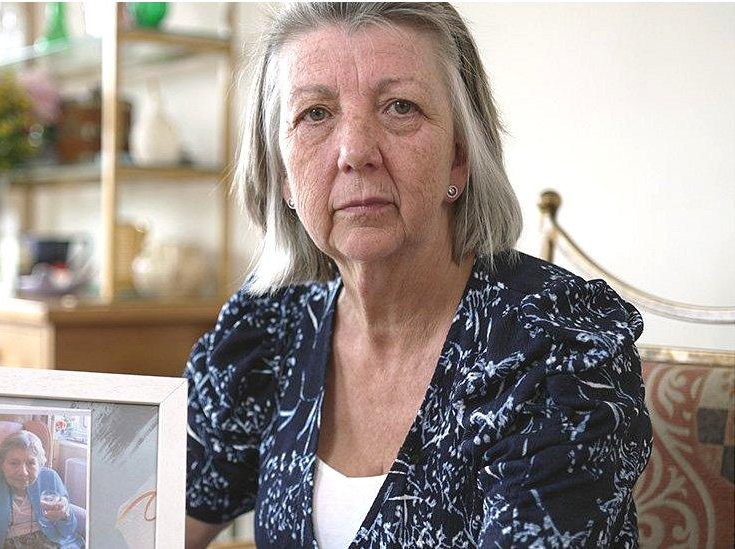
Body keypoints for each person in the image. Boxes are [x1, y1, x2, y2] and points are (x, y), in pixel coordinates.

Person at [184, 3, 652, 548]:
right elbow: (146, 524)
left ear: (459, 157)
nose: (355, 152)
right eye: (315, 114)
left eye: (400, 107)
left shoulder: (552, 353)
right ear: (283, 174)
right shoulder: (268, 336)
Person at [0, 430, 83, 549]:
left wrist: (64, 516)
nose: (23, 472)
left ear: (39, 464)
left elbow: (68, 530)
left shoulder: (50, 477)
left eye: (31, 463)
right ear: (1, 464)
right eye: (14, 463)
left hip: (53, 542)